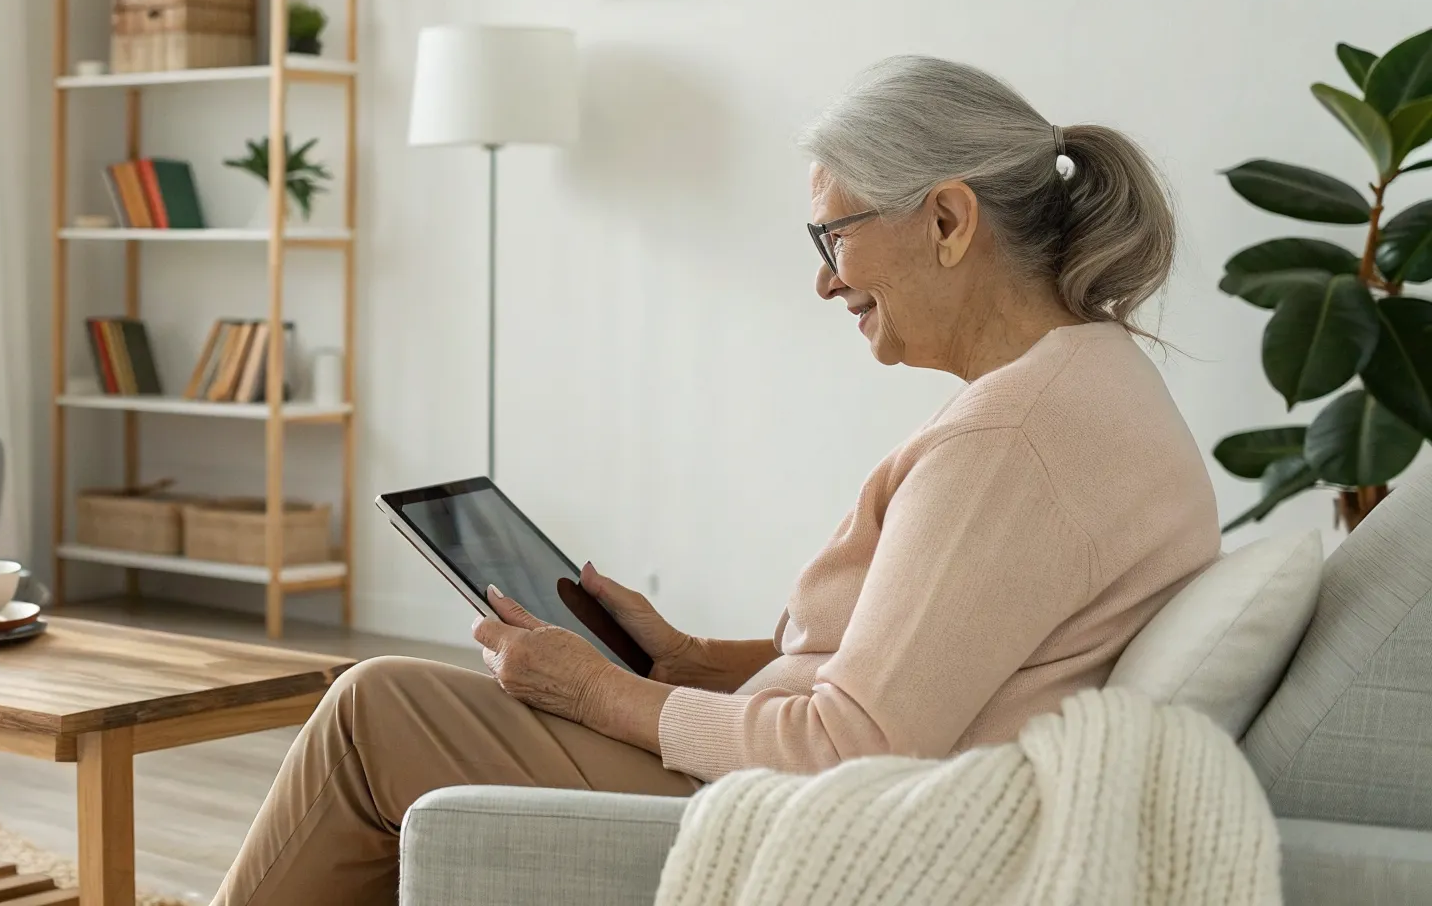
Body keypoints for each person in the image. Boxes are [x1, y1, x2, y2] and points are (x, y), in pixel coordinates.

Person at [210, 55, 1221, 905]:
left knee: (372, 709)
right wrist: (690, 659)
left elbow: (848, 746)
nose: (824, 278)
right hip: (842, 774)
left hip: (807, 816)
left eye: (833, 235)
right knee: (391, 704)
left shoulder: (1007, 439)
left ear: (948, 222)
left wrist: (601, 690)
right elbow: (924, 669)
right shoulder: (1088, 381)